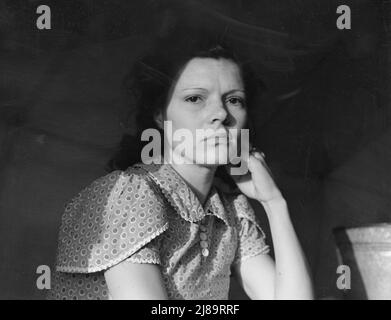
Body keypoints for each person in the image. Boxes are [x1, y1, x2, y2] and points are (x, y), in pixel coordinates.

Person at [47, 37, 313, 300]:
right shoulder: (129, 196)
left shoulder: (229, 212)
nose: (221, 113)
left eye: (234, 100)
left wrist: (274, 203)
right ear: (160, 114)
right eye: (195, 98)